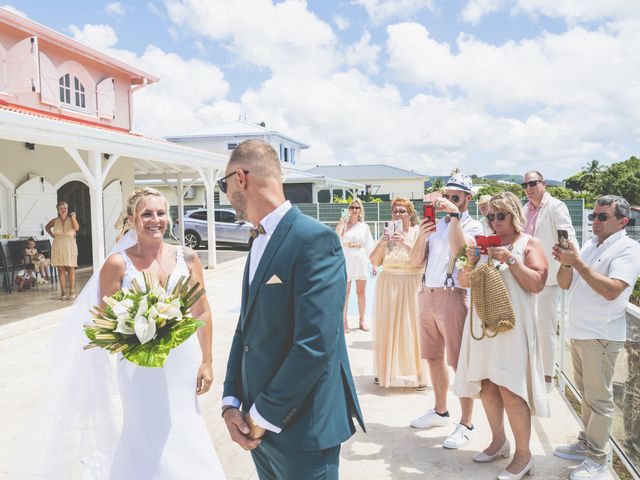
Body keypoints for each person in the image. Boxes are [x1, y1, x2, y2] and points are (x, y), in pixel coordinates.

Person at [11, 187, 226, 479]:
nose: (155, 219)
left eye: (161, 213)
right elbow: (103, 322)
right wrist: (137, 333)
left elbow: (201, 310)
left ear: (169, 217)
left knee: (187, 425)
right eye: (146, 213)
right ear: (132, 220)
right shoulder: (116, 264)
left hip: (182, 363)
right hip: (138, 366)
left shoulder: (187, 258)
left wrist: (207, 361)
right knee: (144, 431)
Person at [219, 139, 365, 479]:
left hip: (303, 430)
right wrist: (231, 402)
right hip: (257, 428)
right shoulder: (258, 238)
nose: (224, 193)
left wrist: (262, 416)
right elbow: (246, 328)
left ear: (241, 177)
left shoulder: (314, 239)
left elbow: (315, 344)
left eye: (223, 183)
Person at [455, 191, 549, 480]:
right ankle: (498, 441)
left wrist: (511, 260)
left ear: (513, 215)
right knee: (486, 384)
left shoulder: (528, 243)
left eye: (500, 215)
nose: (494, 221)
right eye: (490, 216)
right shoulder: (482, 245)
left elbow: (537, 283)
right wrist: (471, 261)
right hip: (484, 326)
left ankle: (524, 455)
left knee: (510, 388)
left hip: (513, 327)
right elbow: (462, 282)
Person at [553, 195, 640, 480]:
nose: (595, 221)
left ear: (622, 221)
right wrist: (566, 264)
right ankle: (585, 444)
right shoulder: (591, 245)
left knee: (600, 399)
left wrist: (576, 263)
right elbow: (565, 284)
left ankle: (599, 460)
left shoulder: (628, 249)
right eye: (593, 216)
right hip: (580, 331)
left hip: (600, 335)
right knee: (586, 396)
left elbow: (612, 290)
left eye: (602, 217)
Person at [409, 173, 483, 449]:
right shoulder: (435, 225)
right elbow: (416, 261)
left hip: (453, 294)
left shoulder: (472, 225)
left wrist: (453, 217)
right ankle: (440, 410)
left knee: (458, 361)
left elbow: (461, 251)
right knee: (432, 357)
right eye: (446, 196)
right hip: (427, 292)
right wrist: (421, 234)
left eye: (455, 197)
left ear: (467, 198)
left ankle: (466, 423)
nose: (449, 201)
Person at [522, 170, 577, 391]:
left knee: (545, 329)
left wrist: (568, 260)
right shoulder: (525, 209)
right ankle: (531, 372)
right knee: (528, 327)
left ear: (543, 183)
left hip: (549, 278)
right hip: (526, 276)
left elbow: (567, 235)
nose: (528, 188)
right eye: (524, 184)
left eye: (533, 183)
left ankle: (547, 378)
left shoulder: (556, 206)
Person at [369, 197, 428, 390]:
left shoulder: (418, 232)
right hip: (388, 284)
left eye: (402, 211)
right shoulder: (387, 233)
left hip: (413, 284)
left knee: (414, 329)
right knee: (387, 327)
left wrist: (403, 243)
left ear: (410, 213)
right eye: (395, 211)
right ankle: (384, 372)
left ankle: (420, 374)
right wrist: (383, 243)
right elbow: (374, 261)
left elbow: (421, 260)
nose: (398, 214)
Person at [336, 197, 375, 332]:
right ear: (348, 209)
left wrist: (374, 264)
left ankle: (362, 320)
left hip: (360, 259)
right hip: (346, 259)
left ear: (360, 210)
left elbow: (369, 245)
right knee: (345, 293)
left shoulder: (364, 227)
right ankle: (344, 321)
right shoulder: (343, 225)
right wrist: (341, 224)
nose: (354, 210)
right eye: (352, 207)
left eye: (357, 207)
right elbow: (336, 239)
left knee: (361, 292)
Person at [45, 201, 79, 300]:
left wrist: (73, 218)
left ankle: (72, 290)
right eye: (61, 209)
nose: (63, 210)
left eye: (65, 208)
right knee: (61, 269)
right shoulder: (55, 221)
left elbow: (76, 228)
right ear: (58, 210)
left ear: (67, 209)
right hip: (58, 245)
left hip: (70, 245)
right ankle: (63, 291)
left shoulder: (71, 218)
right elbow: (47, 227)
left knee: (71, 268)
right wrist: (53, 236)